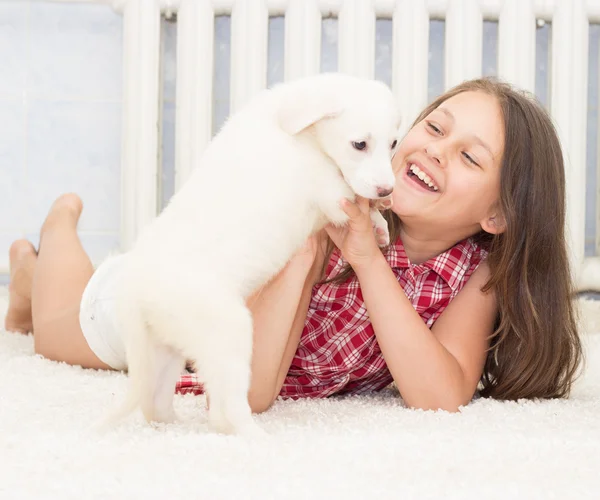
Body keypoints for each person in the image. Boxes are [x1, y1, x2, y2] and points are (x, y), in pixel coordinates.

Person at [4, 77, 583, 413]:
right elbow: (252, 390)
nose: (435, 149)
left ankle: (37, 272)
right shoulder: (323, 212)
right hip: (160, 310)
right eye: (434, 127)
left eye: (468, 156)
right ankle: (51, 241)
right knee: (60, 330)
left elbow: (441, 396)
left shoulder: (473, 273)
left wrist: (366, 261)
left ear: (499, 214)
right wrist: (315, 250)